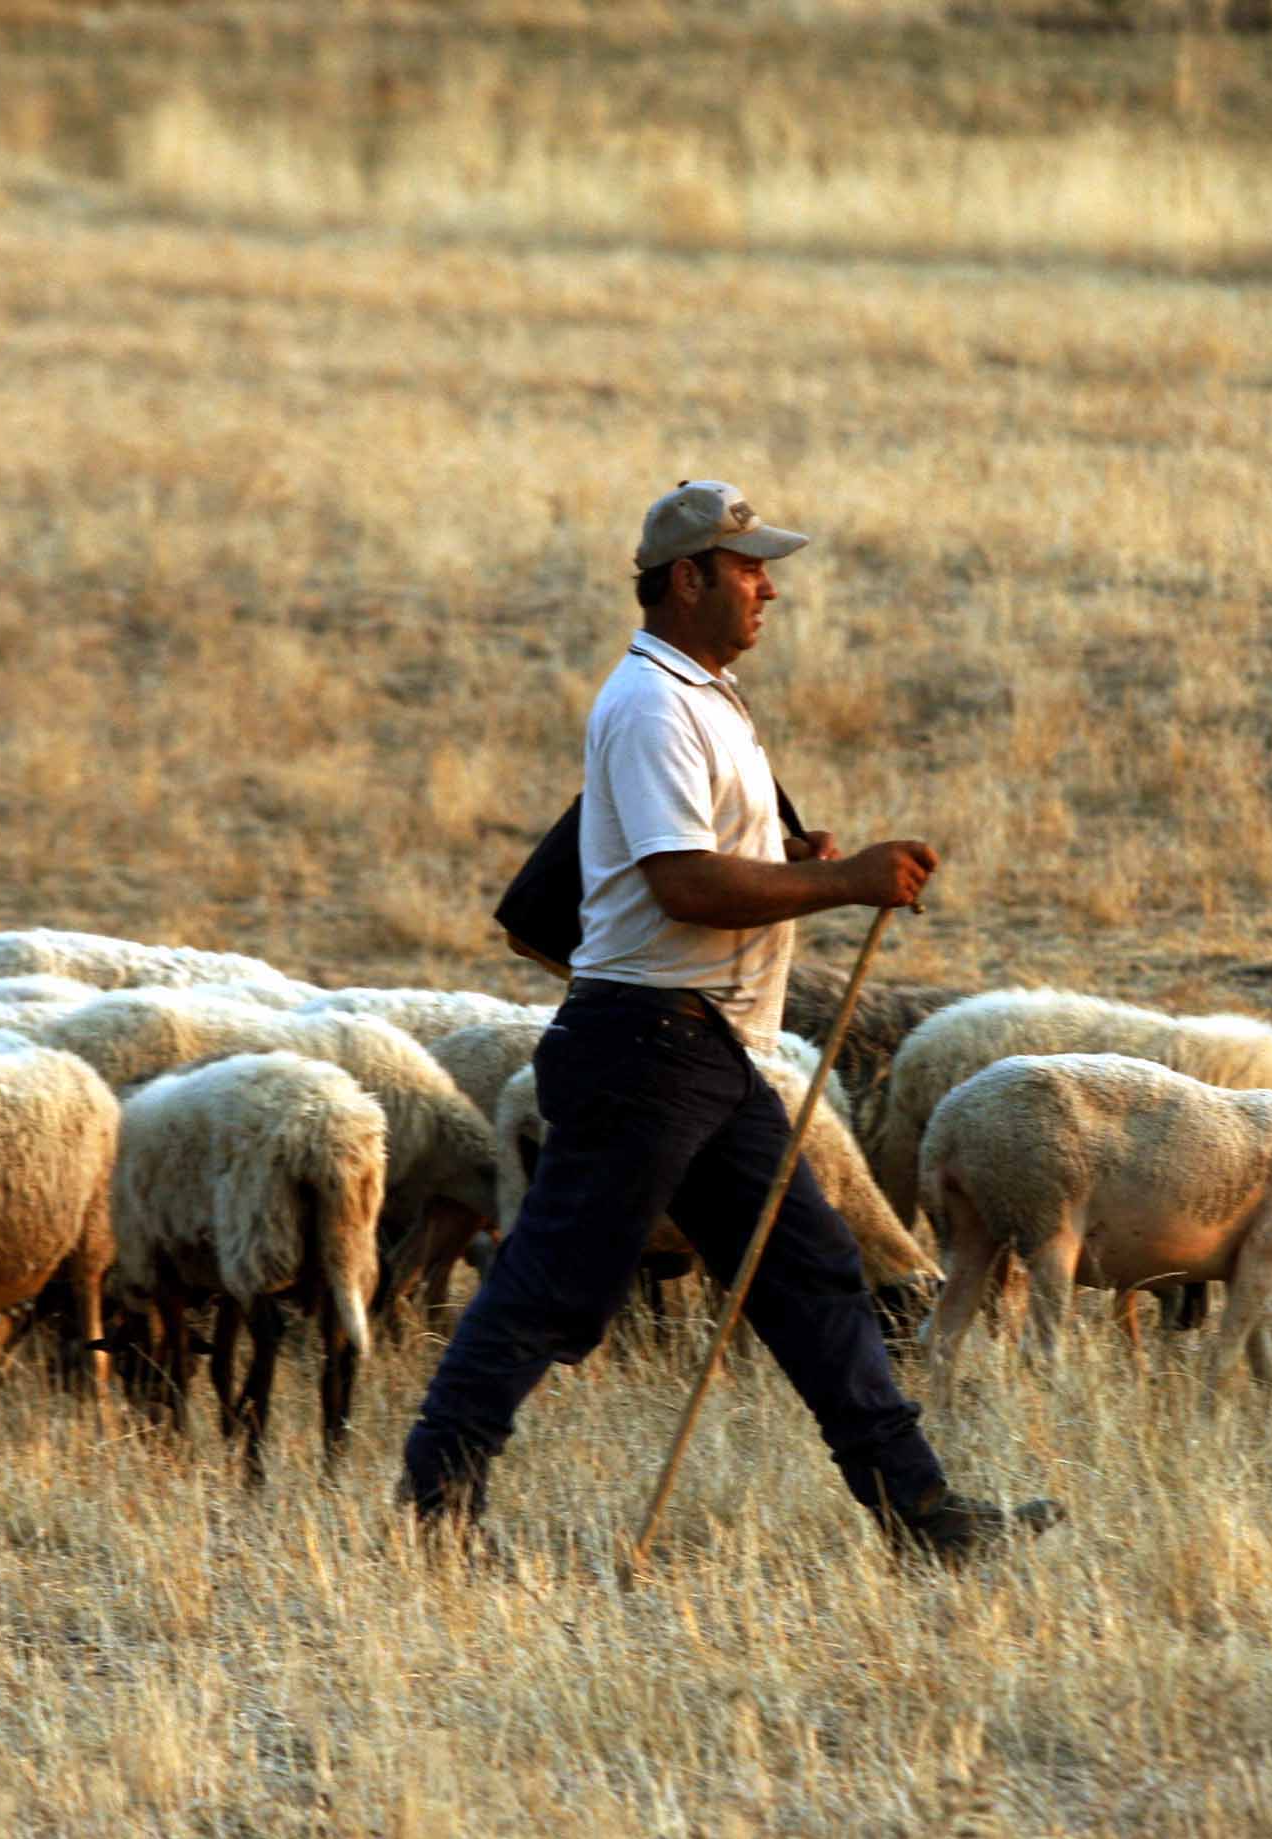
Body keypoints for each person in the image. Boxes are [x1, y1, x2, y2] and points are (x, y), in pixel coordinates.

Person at [396, 480, 1059, 1564]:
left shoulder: (706, 696)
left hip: (705, 1047)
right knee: (553, 1287)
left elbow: (703, 864)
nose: (768, 590)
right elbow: (682, 887)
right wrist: (844, 880)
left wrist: (792, 865)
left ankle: (927, 1519)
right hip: (649, 1045)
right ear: (686, 578)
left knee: (814, 1280)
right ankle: (435, 1512)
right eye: (749, 569)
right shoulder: (655, 702)